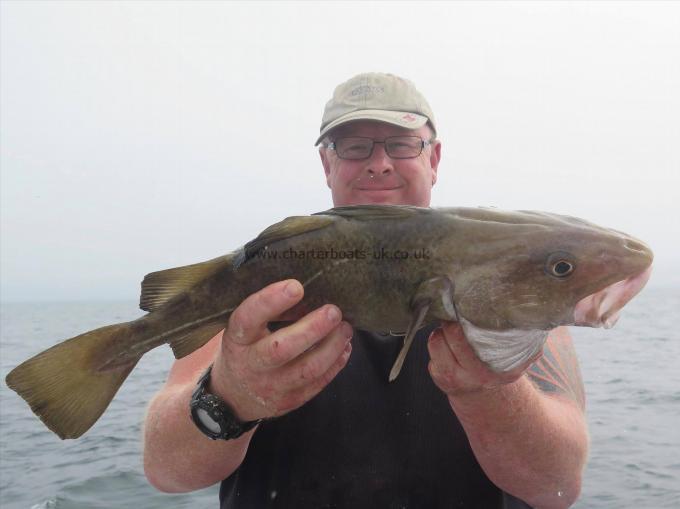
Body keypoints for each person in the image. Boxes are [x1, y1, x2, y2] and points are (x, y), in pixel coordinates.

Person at [143, 72, 589, 508]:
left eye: (400, 144)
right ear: (327, 164)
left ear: (432, 160)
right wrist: (229, 396)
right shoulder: (258, 284)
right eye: (355, 147)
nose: (379, 163)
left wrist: (491, 388)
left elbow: (556, 488)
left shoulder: (507, 288)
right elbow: (166, 470)